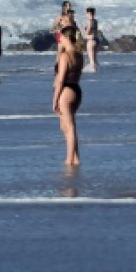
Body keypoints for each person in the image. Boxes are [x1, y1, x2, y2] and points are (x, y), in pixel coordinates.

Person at [52, 24, 83, 166]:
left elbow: (60, 79)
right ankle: (74, 156)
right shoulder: (79, 54)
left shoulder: (65, 56)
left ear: (65, 37)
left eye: (60, 37)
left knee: (69, 126)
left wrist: (55, 99)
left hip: (66, 90)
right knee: (65, 126)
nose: (59, 39)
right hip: (76, 89)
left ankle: (70, 158)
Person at [83, 6, 100, 72]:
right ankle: (97, 69)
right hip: (96, 40)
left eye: (86, 13)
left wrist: (83, 29)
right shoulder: (95, 21)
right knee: (95, 58)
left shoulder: (90, 21)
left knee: (91, 59)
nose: (86, 15)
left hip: (91, 40)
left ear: (89, 13)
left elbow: (88, 32)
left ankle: (93, 70)